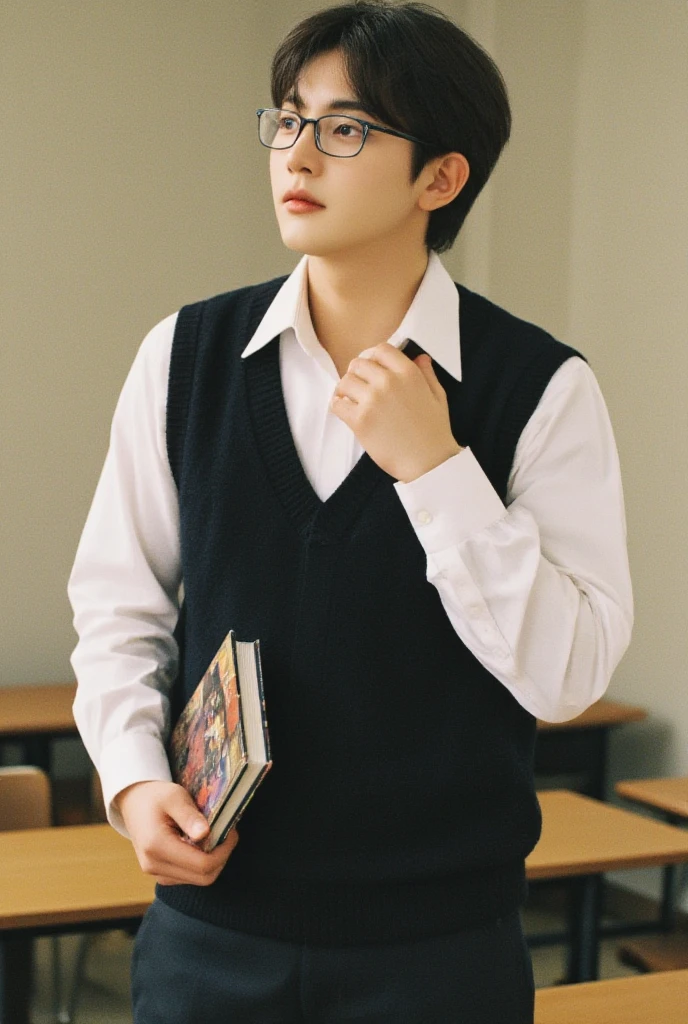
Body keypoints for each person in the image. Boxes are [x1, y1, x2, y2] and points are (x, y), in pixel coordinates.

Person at [67, 2, 633, 1021]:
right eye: (287, 120)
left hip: (436, 955)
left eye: (345, 128)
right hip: (210, 938)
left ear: (440, 176)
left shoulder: (539, 387)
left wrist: (436, 470)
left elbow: (568, 677)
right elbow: (119, 609)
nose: (298, 154)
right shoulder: (184, 357)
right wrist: (133, 779)